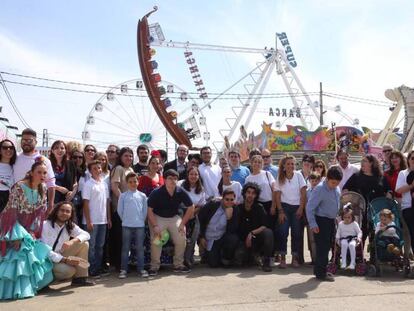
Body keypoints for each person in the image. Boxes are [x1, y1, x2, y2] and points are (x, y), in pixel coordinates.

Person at [0, 160, 54, 299]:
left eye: (44, 172)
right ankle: (12, 291)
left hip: (27, 228)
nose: (42, 175)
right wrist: (16, 236)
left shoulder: (43, 188)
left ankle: (30, 288)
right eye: (39, 172)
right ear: (31, 173)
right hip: (11, 227)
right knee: (15, 257)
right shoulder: (19, 186)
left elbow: (38, 214)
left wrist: (31, 232)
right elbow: (11, 212)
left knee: (31, 254)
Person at [147, 169, 195, 275]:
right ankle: (154, 266)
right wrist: (155, 225)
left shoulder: (180, 191)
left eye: (175, 178)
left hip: (174, 218)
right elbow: (149, 210)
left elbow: (191, 207)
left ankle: (178, 265)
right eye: (170, 178)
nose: (173, 181)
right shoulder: (157, 192)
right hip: (158, 217)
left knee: (181, 237)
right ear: (164, 179)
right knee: (158, 239)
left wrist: (182, 224)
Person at [41, 201, 94, 286]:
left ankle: (80, 278)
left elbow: (86, 234)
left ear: (71, 214)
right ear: (56, 211)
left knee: (84, 244)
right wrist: (65, 260)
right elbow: (45, 251)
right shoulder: (45, 225)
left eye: (68, 211)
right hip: (47, 261)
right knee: (69, 271)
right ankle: (47, 281)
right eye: (62, 210)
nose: (64, 213)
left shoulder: (69, 225)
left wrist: (72, 241)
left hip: (60, 255)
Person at [306, 166, 343, 282]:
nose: (334, 185)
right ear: (327, 178)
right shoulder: (319, 189)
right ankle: (320, 273)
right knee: (322, 248)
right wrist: (313, 224)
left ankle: (322, 269)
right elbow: (310, 208)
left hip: (331, 221)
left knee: (327, 246)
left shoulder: (336, 189)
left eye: (337, 183)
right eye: (332, 182)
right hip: (321, 221)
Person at [343, 154, 389, 244]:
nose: (362, 163)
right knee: (361, 232)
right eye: (362, 161)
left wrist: (389, 194)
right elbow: (345, 189)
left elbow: (388, 190)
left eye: (365, 161)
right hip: (359, 209)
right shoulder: (356, 176)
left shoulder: (380, 177)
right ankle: (359, 255)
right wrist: (350, 199)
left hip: (376, 210)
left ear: (372, 163)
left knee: (376, 232)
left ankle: (374, 255)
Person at [273, 155, 307, 268]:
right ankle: (282, 258)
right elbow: (277, 195)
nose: (291, 166)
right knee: (283, 232)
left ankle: (294, 259)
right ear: (283, 165)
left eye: (292, 164)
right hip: (284, 208)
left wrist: (301, 208)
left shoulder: (298, 176)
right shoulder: (280, 177)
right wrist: (280, 211)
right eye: (288, 164)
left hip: (297, 207)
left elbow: (303, 193)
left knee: (296, 233)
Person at [13, 128, 56, 214]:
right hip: (16, 204)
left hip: (37, 206)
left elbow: (51, 184)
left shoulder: (44, 160)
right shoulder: (15, 158)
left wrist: (51, 205)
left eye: (29, 140)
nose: (26, 142)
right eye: (24, 140)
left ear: (36, 142)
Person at [82, 160, 112, 278]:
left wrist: (108, 218)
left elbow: (107, 203)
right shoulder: (88, 184)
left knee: (100, 246)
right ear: (90, 171)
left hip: (103, 220)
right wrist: (89, 221)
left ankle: (98, 268)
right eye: (94, 168)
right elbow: (85, 203)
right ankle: (91, 270)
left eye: (99, 168)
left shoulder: (104, 184)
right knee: (91, 246)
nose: (98, 170)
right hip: (91, 221)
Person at [236, 182, 273, 272]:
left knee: (268, 233)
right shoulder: (238, 208)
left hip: (256, 238)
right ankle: (252, 257)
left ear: (256, 195)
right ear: (244, 193)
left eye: (253, 193)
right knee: (240, 260)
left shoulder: (259, 207)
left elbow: (264, 225)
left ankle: (266, 262)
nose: (250, 195)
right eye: (248, 192)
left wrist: (251, 233)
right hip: (242, 241)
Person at [117, 173, 148, 279]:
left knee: (140, 248)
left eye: (135, 181)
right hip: (126, 225)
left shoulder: (142, 196)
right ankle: (124, 269)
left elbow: (145, 211)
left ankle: (141, 269)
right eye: (130, 182)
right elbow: (119, 211)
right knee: (125, 248)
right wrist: (125, 220)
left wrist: (141, 221)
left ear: (138, 182)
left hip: (139, 225)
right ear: (127, 183)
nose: (133, 183)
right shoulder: (123, 195)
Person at [198, 189, 239, 268]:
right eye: (227, 199)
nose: (229, 202)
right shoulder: (212, 204)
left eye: (232, 200)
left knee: (233, 238)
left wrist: (229, 218)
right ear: (222, 198)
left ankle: (225, 257)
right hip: (209, 238)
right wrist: (201, 237)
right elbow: (200, 219)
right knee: (213, 264)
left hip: (221, 237)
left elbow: (232, 230)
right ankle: (206, 253)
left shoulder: (235, 209)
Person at [109, 147, 135, 271]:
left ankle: (124, 262)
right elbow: (115, 187)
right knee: (119, 238)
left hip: (130, 209)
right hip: (119, 209)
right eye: (126, 155)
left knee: (126, 238)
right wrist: (124, 201)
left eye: (130, 156)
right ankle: (118, 264)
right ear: (120, 157)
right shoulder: (118, 169)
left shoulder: (130, 169)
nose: (129, 158)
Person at [177, 167, 206, 267]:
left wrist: (193, 212)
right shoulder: (180, 185)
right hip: (180, 214)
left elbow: (201, 205)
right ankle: (180, 260)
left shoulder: (201, 189)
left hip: (194, 214)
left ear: (198, 176)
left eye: (196, 174)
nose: (193, 176)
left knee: (192, 238)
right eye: (191, 174)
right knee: (182, 238)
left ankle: (188, 259)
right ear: (187, 175)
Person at [395, 150, 414, 257]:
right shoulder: (403, 173)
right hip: (408, 207)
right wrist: (411, 186)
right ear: (408, 160)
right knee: (411, 234)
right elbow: (398, 190)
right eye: (413, 158)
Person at [305, 172, 322, 264]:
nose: (314, 182)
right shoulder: (307, 192)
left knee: (320, 239)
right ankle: (314, 258)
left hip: (320, 217)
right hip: (311, 217)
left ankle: (321, 258)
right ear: (309, 181)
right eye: (312, 180)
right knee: (311, 239)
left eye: (316, 180)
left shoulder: (322, 191)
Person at [0, 139, 16, 212]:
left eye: (11, 147)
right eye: (5, 148)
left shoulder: (16, 165)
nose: (8, 149)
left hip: (8, 198)